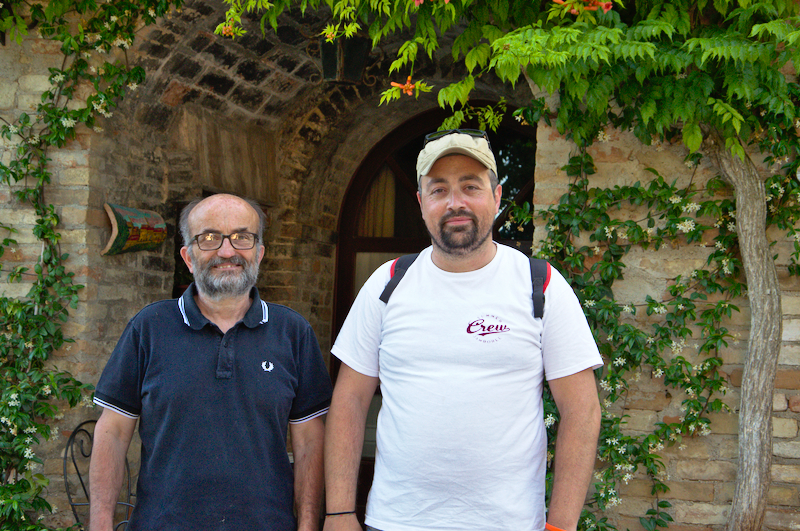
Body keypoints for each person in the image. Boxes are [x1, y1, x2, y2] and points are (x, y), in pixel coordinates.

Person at [323, 130, 603, 531]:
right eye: (439, 190)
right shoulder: (387, 283)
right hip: (397, 520)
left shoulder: (540, 284)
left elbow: (581, 411)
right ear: (421, 203)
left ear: (497, 196)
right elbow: (350, 401)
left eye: (470, 186)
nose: (455, 202)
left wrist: (560, 526)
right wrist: (338, 513)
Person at [89, 193, 332, 531]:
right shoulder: (149, 328)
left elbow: (309, 443)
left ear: (259, 253)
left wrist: (307, 526)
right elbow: (113, 433)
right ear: (188, 256)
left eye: (242, 237)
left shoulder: (293, 333)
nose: (227, 251)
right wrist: (100, 525)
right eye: (209, 238)